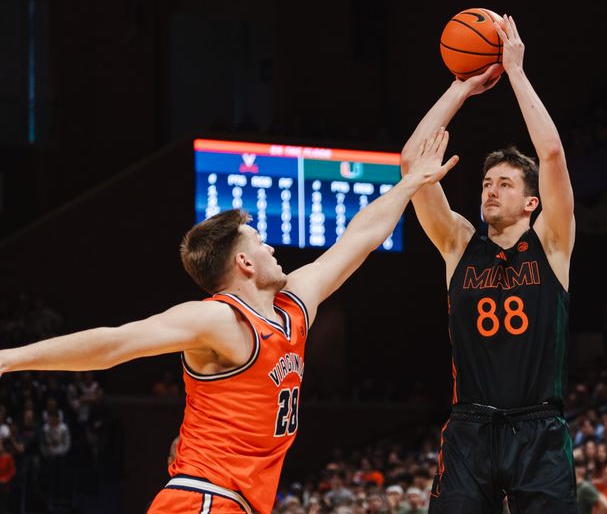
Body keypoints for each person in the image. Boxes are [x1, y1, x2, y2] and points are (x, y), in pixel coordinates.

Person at [0, 131, 458, 514]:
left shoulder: (295, 306)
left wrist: (410, 183)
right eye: (260, 241)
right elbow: (114, 344)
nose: (271, 248)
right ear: (244, 262)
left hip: (234, 503)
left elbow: (360, 237)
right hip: (204, 499)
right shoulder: (219, 318)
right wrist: (9, 359)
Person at [400, 14, 576, 513]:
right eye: (486, 183)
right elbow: (412, 163)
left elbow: (552, 153)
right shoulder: (459, 244)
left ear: (531, 202)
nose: (491, 190)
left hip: (538, 428)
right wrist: (462, 87)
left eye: (505, 184)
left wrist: (515, 72)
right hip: (469, 429)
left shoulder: (552, 243)